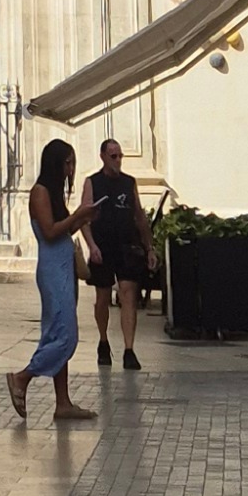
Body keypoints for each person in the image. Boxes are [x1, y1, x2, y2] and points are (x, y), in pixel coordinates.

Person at [9, 136, 95, 425]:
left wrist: (82, 219)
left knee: (57, 331)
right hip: (52, 269)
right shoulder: (41, 192)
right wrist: (78, 217)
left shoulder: (55, 193)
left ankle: (63, 402)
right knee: (65, 336)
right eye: (68, 162)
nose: (71, 169)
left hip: (63, 266)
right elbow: (50, 231)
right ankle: (23, 377)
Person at [79, 136, 153, 371]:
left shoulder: (129, 182)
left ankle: (129, 349)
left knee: (128, 293)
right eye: (113, 156)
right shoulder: (92, 182)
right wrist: (92, 245)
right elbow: (83, 218)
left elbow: (139, 216)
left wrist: (149, 246)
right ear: (102, 156)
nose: (118, 160)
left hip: (126, 244)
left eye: (120, 155)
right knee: (102, 297)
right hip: (102, 245)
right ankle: (103, 341)